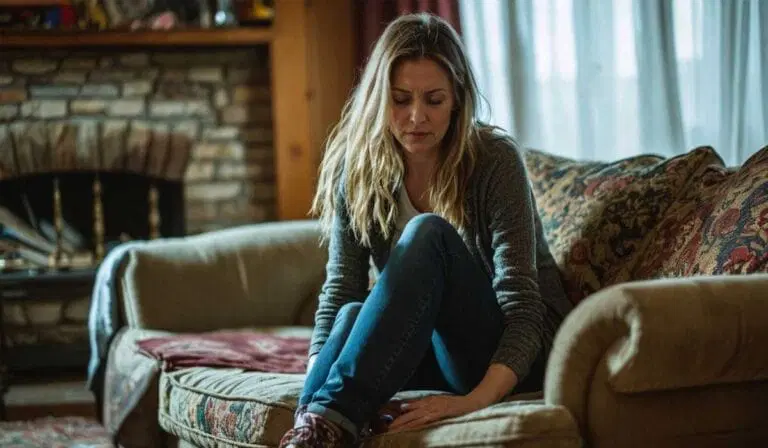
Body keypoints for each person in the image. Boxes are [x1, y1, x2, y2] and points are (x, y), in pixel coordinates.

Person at [279, 12, 573, 448]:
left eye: (434, 100)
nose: (417, 117)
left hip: (509, 355)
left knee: (427, 233)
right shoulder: (355, 166)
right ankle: (312, 427)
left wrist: (471, 402)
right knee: (349, 314)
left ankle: (327, 421)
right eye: (400, 99)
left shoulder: (494, 161)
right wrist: (313, 389)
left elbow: (524, 309)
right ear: (379, 98)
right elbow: (341, 289)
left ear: (457, 100)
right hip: (432, 348)